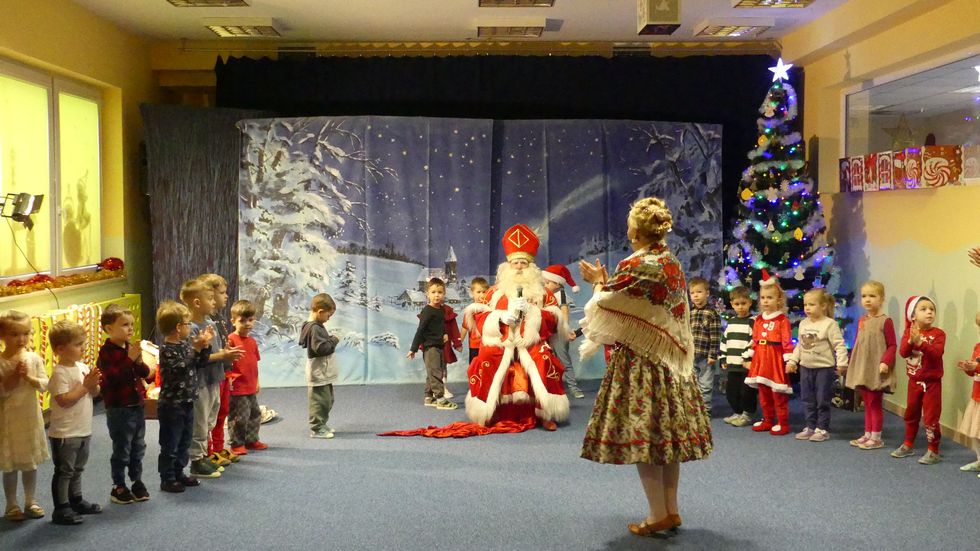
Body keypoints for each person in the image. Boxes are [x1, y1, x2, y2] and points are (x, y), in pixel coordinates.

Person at [578, 197, 712, 536]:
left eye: (630, 226)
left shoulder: (635, 264)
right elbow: (643, 304)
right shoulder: (670, 261)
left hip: (642, 364)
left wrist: (597, 283)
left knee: (645, 439)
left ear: (635, 232)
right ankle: (671, 510)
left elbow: (604, 306)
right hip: (670, 363)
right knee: (666, 439)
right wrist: (607, 282)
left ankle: (656, 515)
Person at [464, 224, 569, 431]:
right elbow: (480, 316)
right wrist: (501, 318)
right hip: (502, 342)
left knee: (544, 359)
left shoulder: (543, 293)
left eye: (523, 263)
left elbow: (555, 320)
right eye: (515, 263)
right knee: (486, 358)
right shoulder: (494, 292)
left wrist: (533, 314)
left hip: (532, 343)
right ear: (507, 266)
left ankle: (545, 412)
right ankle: (489, 411)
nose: (519, 267)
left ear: (531, 266)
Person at [182, 278, 241, 478]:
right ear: (197, 303)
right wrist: (222, 355)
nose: (214, 302)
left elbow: (215, 352)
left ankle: (205, 456)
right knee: (199, 423)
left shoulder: (210, 323)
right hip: (200, 383)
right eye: (210, 298)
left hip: (214, 379)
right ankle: (196, 461)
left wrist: (225, 354)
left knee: (209, 421)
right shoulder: (191, 328)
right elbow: (198, 358)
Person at [47, 320, 102, 525]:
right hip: (65, 433)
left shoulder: (81, 366)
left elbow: (94, 393)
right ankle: (61, 507)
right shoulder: (59, 372)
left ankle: (76, 500)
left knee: (78, 468)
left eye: (83, 343)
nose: (83, 348)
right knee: (65, 471)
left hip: (83, 429)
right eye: (78, 344)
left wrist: (94, 385)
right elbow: (64, 400)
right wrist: (86, 386)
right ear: (60, 349)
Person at [97, 305, 153, 504]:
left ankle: (137, 480)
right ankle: (119, 485)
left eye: (131, 324)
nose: (130, 329)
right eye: (124, 325)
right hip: (119, 408)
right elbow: (112, 378)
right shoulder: (106, 352)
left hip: (136, 405)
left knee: (138, 446)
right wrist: (129, 360)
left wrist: (138, 362)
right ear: (109, 329)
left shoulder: (130, 348)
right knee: (122, 448)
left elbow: (145, 374)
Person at [156, 300, 214, 492]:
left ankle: (179, 472)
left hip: (188, 401)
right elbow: (179, 368)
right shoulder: (166, 350)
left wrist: (205, 346)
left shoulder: (184, 345)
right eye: (188, 324)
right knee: (170, 442)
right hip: (172, 405)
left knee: (184, 440)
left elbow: (199, 363)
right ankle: (167, 478)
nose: (190, 328)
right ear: (178, 327)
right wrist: (195, 350)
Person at [0, 311, 49, 522]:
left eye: (26, 333)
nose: (21, 339)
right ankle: (11, 504)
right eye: (14, 334)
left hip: (30, 418)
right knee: (10, 465)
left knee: (30, 463)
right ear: (2, 336)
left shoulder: (33, 358)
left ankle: (31, 500)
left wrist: (29, 378)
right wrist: (12, 378)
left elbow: (44, 384)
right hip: (8, 420)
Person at [786, 288, 848, 442]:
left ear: (823, 306)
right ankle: (810, 426)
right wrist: (793, 361)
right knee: (807, 399)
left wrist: (842, 363)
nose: (807, 308)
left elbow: (839, 345)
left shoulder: (829, 324)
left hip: (824, 369)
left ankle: (822, 428)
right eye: (805, 305)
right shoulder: (803, 323)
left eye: (812, 305)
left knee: (822, 399)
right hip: (806, 368)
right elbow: (800, 346)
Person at [842, 280, 897, 450]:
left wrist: (885, 361)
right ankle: (867, 433)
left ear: (881, 299)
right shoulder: (862, 320)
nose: (867, 299)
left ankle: (876, 437)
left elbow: (892, 345)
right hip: (863, 367)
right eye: (864, 296)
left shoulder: (885, 321)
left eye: (872, 296)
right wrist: (851, 360)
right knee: (866, 402)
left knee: (874, 403)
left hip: (876, 368)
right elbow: (859, 342)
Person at [891, 295, 946, 465]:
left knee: (931, 417)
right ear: (913, 316)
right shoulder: (909, 332)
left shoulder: (938, 334)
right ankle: (908, 444)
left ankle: (933, 450)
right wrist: (911, 340)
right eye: (923, 309)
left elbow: (936, 354)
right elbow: (903, 353)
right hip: (914, 383)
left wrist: (921, 343)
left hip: (932, 384)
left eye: (932, 309)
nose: (929, 312)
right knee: (911, 414)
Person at [744, 270, 794, 436]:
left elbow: (787, 342)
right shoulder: (758, 320)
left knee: (778, 393)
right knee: (763, 392)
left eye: (770, 297)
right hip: (760, 359)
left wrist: (788, 360)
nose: (765, 301)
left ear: (779, 300)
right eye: (763, 297)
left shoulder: (782, 320)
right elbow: (755, 340)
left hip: (775, 359)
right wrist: (748, 357)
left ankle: (783, 423)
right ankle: (767, 420)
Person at [200, 273, 241, 466]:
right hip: (210, 375)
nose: (226, 296)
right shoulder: (203, 321)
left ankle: (218, 447)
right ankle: (208, 451)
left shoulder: (218, 317)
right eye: (222, 293)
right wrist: (223, 355)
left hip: (223, 372)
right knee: (210, 415)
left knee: (222, 410)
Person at [406, 279, 458, 410]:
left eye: (440, 292)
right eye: (433, 292)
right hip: (430, 348)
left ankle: (429, 397)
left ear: (444, 294)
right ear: (427, 294)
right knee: (435, 373)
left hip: (439, 346)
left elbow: (440, 325)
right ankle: (440, 399)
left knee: (432, 371)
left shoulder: (441, 310)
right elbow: (420, 331)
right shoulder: (427, 311)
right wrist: (413, 349)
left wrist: (445, 333)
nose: (437, 295)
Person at [226, 300, 267, 455]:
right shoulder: (230, 340)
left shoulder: (252, 342)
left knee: (255, 414)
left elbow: (254, 364)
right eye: (242, 320)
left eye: (250, 320)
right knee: (239, 416)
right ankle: (237, 443)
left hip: (250, 386)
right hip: (237, 387)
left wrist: (257, 382)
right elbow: (226, 363)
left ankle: (251, 439)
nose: (247, 324)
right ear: (233, 321)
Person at [300, 293, 342, 437]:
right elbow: (321, 349)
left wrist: (329, 339)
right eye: (328, 315)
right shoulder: (315, 328)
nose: (329, 318)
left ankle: (322, 424)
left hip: (322, 371)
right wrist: (334, 340)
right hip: (319, 371)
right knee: (320, 401)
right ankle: (317, 427)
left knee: (327, 399)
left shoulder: (315, 326)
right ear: (320, 311)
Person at [542, 264, 585, 399]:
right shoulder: (546, 294)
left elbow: (564, 310)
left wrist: (565, 328)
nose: (545, 285)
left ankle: (573, 388)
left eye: (548, 283)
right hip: (549, 332)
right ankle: (554, 387)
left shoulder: (560, 294)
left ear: (557, 283)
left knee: (564, 360)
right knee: (549, 360)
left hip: (558, 333)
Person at [720, 287, 757, 427]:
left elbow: (753, 341)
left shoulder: (753, 321)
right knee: (731, 391)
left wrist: (747, 358)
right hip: (732, 364)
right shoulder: (731, 322)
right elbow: (725, 340)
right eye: (737, 304)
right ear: (732, 304)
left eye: (743, 303)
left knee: (747, 391)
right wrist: (723, 358)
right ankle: (737, 411)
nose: (740, 307)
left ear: (750, 302)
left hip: (746, 365)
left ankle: (747, 414)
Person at [688, 277, 721, 414]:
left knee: (705, 384)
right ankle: (695, 408)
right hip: (692, 355)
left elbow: (715, 336)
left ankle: (705, 410)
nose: (695, 296)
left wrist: (713, 354)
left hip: (706, 356)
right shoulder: (690, 312)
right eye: (692, 293)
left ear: (707, 293)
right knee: (693, 383)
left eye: (699, 292)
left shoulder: (711, 313)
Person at [955, 311, 980, 476]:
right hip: (977, 396)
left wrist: (976, 366)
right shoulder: (977, 347)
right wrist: (968, 368)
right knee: (974, 431)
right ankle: (979, 459)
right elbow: (974, 371)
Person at [462, 278, 490, 365]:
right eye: (478, 292)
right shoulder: (470, 310)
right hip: (475, 345)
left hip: (488, 344)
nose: (481, 295)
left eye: (484, 292)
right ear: (472, 293)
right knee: (474, 367)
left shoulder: (490, 309)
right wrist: (459, 342)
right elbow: (464, 327)